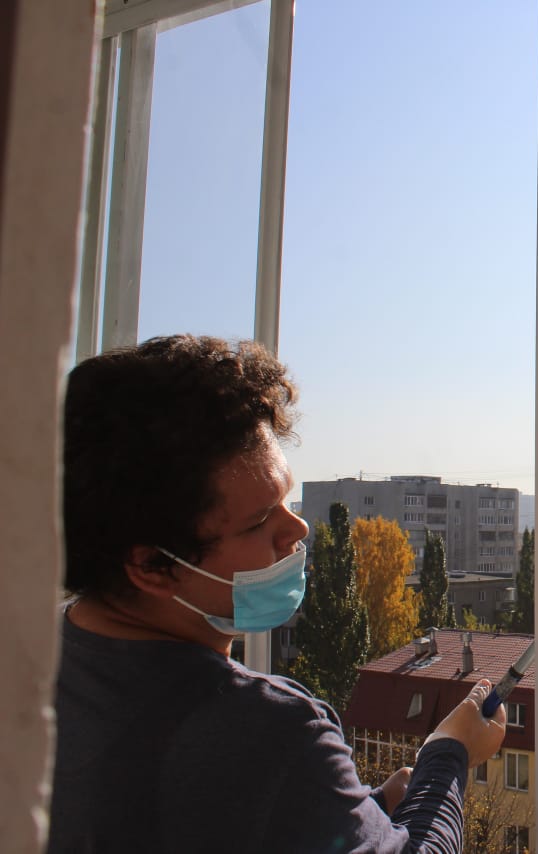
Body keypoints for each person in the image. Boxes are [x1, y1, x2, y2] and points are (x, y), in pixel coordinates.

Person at [49, 334, 507, 853]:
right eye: (258, 521)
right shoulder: (271, 732)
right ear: (151, 565)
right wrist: (447, 757)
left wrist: (359, 812)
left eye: (287, 500)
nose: (298, 529)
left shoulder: (35, 666)